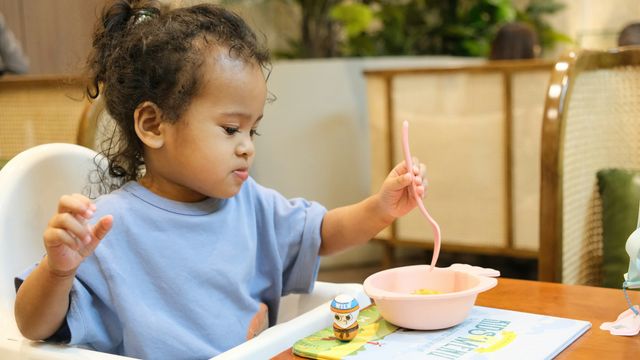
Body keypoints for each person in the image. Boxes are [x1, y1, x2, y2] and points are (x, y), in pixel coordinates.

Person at [13, 1, 426, 358]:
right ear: (154, 124)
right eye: (231, 129)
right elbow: (32, 327)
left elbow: (323, 232)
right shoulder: (104, 229)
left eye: (253, 130)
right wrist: (58, 270)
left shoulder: (251, 204)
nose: (247, 146)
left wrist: (379, 208)